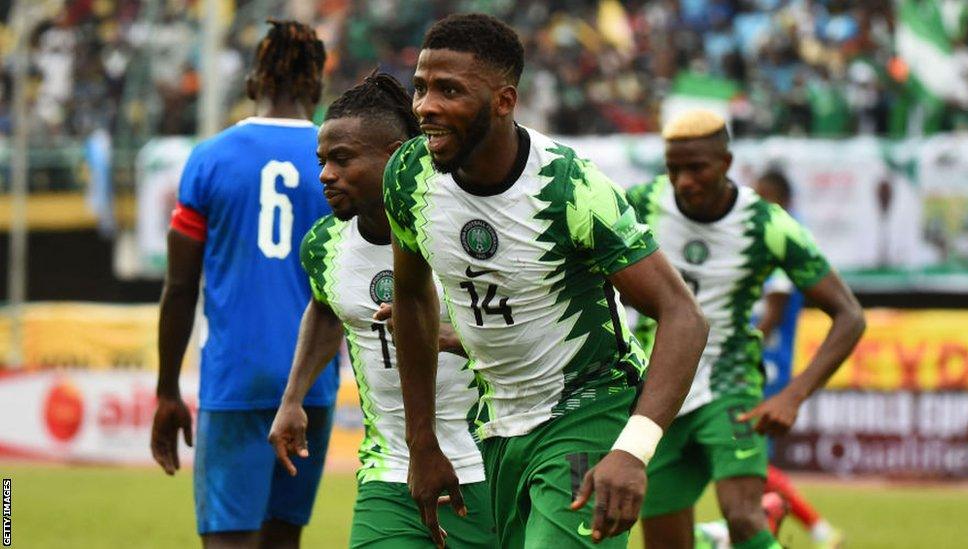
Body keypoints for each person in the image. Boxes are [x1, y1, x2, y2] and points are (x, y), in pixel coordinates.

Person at [384, 13, 709, 548]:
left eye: (449, 91)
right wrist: (423, 444)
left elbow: (684, 316)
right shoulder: (408, 175)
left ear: (504, 101)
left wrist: (633, 448)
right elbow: (414, 300)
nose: (425, 107)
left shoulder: (569, 188)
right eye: (419, 88)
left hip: (590, 408)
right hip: (498, 424)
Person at [266, 72, 496, 548]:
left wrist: (455, 339)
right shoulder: (324, 244)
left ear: (395, 156)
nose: (326, 174)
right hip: (391, 476)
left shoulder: (460, 228)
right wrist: (293, 398)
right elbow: (327, 308)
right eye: (323, 160)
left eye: (342, 159)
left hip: (491, 468)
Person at [625, 110, 865, 549]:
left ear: (727, 162)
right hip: (657, 390)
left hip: (729, 384)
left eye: (696, 168)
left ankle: (738, 531)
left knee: (742, 515)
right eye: (674, 169)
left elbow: (849, 314)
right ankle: (717, 540)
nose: (684, 181)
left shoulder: (766, 226)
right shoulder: (636, 204)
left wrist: (794, 394)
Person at [150, 20, 339, 549]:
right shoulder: (339, 160)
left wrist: (167, 389)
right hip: (312, 381)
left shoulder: (211, 158)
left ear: (256, 78)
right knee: (283, 541)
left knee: (230, 541)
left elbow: (181, 287)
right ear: (316, 83)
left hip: (237, 379)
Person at [754, 171, 844, 549]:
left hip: (764, 361)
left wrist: (747, 347)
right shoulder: (789, 230)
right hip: (768, 359)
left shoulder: (781, 234)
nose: (756, 204)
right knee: (747, 458)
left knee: (749, 455)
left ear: (780, 197)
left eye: (763, 197)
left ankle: (808, 525)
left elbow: (774, 306)